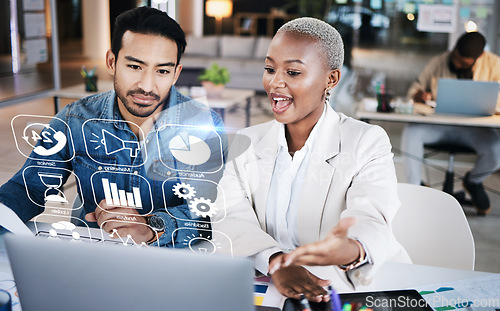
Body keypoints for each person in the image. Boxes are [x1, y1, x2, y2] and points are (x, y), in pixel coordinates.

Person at [212, 17, 410, 302]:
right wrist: (277, 262)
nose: (275, 82)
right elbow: (228, 215)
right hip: (273, 287)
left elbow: (371, 217)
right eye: (269, 69)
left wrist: (351, 248)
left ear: (331, 79)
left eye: (293, 72)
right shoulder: (246, 141)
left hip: (350, 287)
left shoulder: (366, 140)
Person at [0, 7, 226, 246]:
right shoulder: (75, 120)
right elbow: (29, 187)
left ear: (176, 74)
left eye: (162, 71)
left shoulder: (203, 125)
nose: (147, 85)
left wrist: (152, 228)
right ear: (111, 62)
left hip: (171, 257)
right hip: (91, 252)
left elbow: (208, 213)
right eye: (134, 66)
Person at [402, 31, 500, 215]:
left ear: (478, 58)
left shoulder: (494, 64)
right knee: (412, 133)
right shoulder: (439, 61)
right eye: (455, 57)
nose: (455, 63)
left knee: (496, 148)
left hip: (475, 128)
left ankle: (474, 181)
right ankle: (415, 187)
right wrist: (419, 95)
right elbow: (414, 90)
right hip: (440, 125)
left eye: (463, 62)